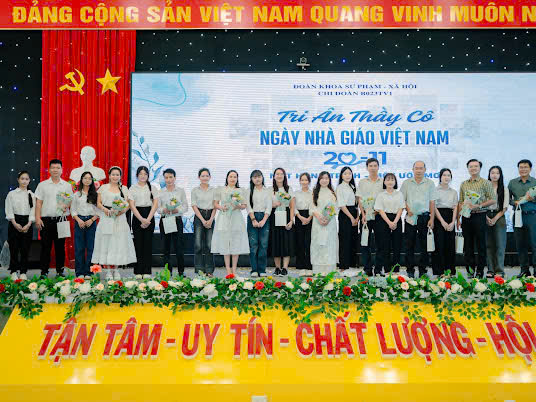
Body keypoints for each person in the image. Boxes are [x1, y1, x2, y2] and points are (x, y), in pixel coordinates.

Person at [92, 166, 136, 280]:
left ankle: (116, 270)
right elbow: (98, 203)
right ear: (109, 175)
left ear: (120, 176)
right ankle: (107, 271)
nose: (115, 177)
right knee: (106, 243)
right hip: (106, 217)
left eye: (117, 175)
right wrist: (105, 210)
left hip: (119, 219)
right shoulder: (103, 188)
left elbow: (128, 204)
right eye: (113, 174)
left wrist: (121, 211)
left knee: (118, 244)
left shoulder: (124, 188)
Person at [457, 159, 496, 278]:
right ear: (468, 168)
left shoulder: (485, 183)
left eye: (476, 166)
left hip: (480, 215)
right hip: (466, 216)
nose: (473, 168)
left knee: (481, 245)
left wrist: (478, 205)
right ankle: (470, 270)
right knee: (467, 245)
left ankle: (480, 271)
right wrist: (458, 218)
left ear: (480, 168)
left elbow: (493, 199)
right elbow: (460, 202)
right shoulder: (464, 184)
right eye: (471, 166)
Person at [35, 159, 73, 277]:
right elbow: (38, 203)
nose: (55, 170)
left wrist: (65, 205)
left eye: (58, 168)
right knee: (45, 247)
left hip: (61, 220)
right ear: (49, 170)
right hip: (46, 220)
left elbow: (70, 200)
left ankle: (60, 271)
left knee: (60, 247)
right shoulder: (42, 185)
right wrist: (37, 218)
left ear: (61, 170)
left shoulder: (66, 185)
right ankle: (44, 272)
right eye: (53, 167)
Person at [401, 161, 437, 278]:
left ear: (425, 170)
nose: (419, 170)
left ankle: (423, 269)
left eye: (421, 168)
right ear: (413, 169)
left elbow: (432, 202)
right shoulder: (406, 183)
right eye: (416, 168)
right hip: (410, 217)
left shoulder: (430, 183)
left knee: (424, 245)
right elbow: (402, 199)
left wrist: (432, 218)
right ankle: (410, 269)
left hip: (424, 217)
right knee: (409, 245)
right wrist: (408, 209)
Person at [211, 170, 249, 276]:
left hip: (236, 218)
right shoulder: (221, 189)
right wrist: (221, 207)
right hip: (224, 217)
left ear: (237, 179)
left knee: (236, 244)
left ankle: (234, 269)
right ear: (227, 178)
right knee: (225, 244)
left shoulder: (240, 190)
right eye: (231, 176)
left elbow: (244, 205)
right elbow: (215, 204)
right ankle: (228, 269)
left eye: (235, 177)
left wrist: (238, 206)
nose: (233, 179)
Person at [129, 166, 159, 276]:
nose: (143, 176)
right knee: (138, 244)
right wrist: (141, 219)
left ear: (148, 175)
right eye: (140, 174)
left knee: (148, 245)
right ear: (137, 175)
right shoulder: (132, 188)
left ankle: (147, 271)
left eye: (145, 174)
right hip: (137, 216)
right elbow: (132, 205)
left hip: (149, 215)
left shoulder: (152, 188)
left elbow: (155, 204)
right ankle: (138, 271)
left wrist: (148, 219)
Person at [508, 159, 536, 277]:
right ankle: (524, 269)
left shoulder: (535, 182)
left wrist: (532, 199)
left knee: (534, 244)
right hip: (518, 216)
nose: (523, 169)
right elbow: (507, 199)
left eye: (525, 167)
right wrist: (514, 202)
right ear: (518, 169)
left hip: (533, 216)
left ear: (530, 169)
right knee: (520, 244)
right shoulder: (512, 183)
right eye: (521, 167)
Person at [5, 171, 35, 280]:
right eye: (22, 179)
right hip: (14, 221)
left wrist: (29, 224)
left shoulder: (31, 194)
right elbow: (9, 209)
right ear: (18, 180)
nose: (24, 181)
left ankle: (23, 272)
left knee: (25, 249)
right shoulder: (12, 194)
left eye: (26, 179)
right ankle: (13, 271)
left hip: (27, 222)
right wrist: (14, 223)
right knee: (14, 248)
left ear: (29, 181)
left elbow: (33, 210)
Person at [159, 168, 188, 276]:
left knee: (179, 247)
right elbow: (158, 208)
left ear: (175, 178)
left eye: (171, 177)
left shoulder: (180, 191)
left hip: (176, 219)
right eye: (166, 177)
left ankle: (181, 271)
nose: (168, 179)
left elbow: (185, 206)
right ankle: (168, 271)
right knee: (165, 247)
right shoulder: (160, 192)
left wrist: (177, 210)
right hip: (165, 219)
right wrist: (163, 210)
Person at [374, 173, 405, 274]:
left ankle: (396, 270)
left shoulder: (399, 194)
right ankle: (386, 269)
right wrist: (389, 222)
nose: (390, 181)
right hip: (383, 220)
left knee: (397, 246)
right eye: (388, 179)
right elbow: (380, 210)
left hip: (396, 219)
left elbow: (401, 208)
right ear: (384, 182)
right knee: (384, 246)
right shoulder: (381, 195)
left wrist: (394, 222)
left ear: (395, 182)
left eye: (392, 179)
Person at [357, 158, 384, 276]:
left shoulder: (383, 182)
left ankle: (378, 269)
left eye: (375, 166)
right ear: (367, 168)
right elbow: (359, 199)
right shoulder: (362, 182)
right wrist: (363, 214)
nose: (373, 168)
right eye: (370, 166)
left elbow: (385, 197)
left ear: (378, 167)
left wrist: (378, 211)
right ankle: (367, 268)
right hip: (365, 216)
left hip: (379, 216)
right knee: (365, 243)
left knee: (380, 243)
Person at [71, 171, 99, 278]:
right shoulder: (76, 195)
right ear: (81, 180)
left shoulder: (95, 195)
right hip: (79, 222)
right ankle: (79, 272)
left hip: (91, 222)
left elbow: (99, 211)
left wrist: (92, 220)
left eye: (89, 178)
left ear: (92, 181)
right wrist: (78, 220)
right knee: (79, 248)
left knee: (91, 248)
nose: (87, 180)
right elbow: (73, 210)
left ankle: (89, 272)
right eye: (85, 178)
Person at [269, 167, 295, 277]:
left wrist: (291, 220)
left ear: (284, 176)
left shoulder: (289, 189)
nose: (279, 176)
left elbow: (292, 206)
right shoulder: (270, 190)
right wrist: (273, 205)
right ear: (274, 176)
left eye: (281, 174)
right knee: (276, 242)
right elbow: (266, 205)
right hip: (274, 216)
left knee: (286, 242)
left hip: (286, 216)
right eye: (277, 174)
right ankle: (277, 268)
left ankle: (285, 268)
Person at [310, 171, 338, 274]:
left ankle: (329, 270)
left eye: (326, 178)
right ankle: (318, 271)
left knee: (329, 244)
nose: (324, 180)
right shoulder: (314, 192)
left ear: (329, 180)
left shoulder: (332, 192)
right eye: (322, 178)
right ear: (319, 180)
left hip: (330, 224)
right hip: (317, 223)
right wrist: (318, 216)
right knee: (318, 244)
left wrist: (328, 218)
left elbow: (335, 208)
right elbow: (311, 207)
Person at [432, 168, 458, 277]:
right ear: (440, 177)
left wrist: (453, 222)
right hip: (438, 217)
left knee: (450, 245)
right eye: (444, 175)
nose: (446, 177)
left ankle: (450, 271)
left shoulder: (454, 192)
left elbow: (456, 207)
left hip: (450, 217)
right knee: (439, 245)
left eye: (448, 175)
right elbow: (434, 207)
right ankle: (440, 271)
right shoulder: (435, 190)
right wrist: (442, 221)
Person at [246, 170, 271, 277]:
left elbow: (269, 206)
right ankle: (254, 270)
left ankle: (262, 270)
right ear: (251, 179)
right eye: (255, 177)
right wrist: (253, 220)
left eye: (259, 176)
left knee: (263, 245)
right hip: (253, 216)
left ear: (262, 177)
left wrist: (264, 220)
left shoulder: (267, 191)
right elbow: (248, 206)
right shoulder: (249, 191)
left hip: (265, 217)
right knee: (253, 245)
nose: (257, 179)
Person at [191, 168, 216, 276]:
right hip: (199, 216)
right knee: (198, 245)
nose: (205, 178)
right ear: (199, 177)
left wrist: (210, 219)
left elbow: (215, 205)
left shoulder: (214, 190)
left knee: (209, 245)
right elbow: (194, 205)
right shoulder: (195, 190)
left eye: (207, 176)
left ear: (210, 177)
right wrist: (202, 220)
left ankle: (209, 270)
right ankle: (200, 270)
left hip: (210, 215)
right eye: (202, 176)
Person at [486, 166, 508, 278]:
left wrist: (495, 219)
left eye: (497, 173)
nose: (494, 175)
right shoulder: (485, 188)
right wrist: (486, 217)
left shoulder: (504, 189)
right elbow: (481, 204)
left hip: (499, 216)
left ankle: (499, 271)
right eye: (492, 173)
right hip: (485, 215)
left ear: (500, 175)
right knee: (488, 245)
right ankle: (490, 270)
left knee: (500, 244)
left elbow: (504, 207)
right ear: (489, 174)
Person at [337, 166, 359, 275]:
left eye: (349, 173)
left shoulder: (353, 186)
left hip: (354, 213)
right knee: (344, 240)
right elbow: (341, 205)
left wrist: (357, 217)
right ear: (341, 175)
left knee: (353, 239)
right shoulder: (340, 187)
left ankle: (352, 264)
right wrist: (351, 217)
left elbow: (357, 204)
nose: (347, 175)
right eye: (345, 173)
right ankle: (343, 265)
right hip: (345, 214)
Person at [294, 173, 313, 277]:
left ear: (309, 181)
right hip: (299, 217)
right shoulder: (296, 193)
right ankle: (301, 267)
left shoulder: (312, 193)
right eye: (302, 180)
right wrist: (300, 217)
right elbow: (293, 207)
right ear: (300, 181)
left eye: (306, 180)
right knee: (300, 242)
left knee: (309, 242)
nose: (304, 182)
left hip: (310, 217)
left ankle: (309, 267)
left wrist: (309, 218)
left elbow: (314, 206)